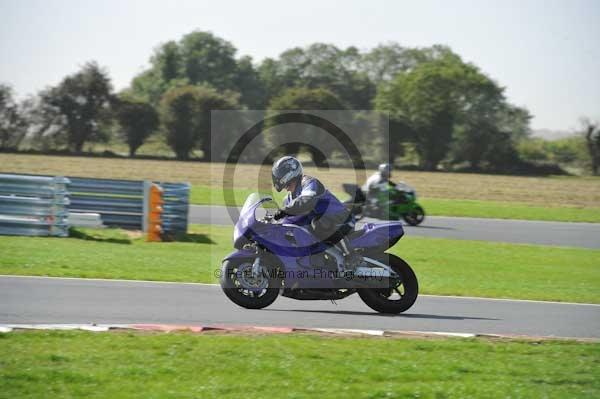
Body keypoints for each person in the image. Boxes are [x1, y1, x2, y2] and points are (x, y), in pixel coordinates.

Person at [271, 156, 358, 268]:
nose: (285, 188)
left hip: (342, 220)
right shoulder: (288, 199)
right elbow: (288, 219)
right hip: (326, 226)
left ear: (290, 174)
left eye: (287, 184)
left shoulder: (309, 182)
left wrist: (284, 211)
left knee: (318, 223)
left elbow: (306, 200)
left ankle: (351, 255)